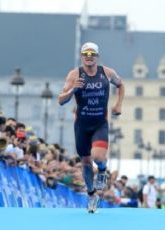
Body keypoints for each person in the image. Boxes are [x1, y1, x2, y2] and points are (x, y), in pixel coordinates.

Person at [58, 42, 125, 213]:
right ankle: (91, 194)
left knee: (98, 157)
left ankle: (102, 170)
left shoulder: (107, 73)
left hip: (99, 124)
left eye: (92, 54)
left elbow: (120, 85)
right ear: (82, 57)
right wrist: (73, 89)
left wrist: (118, 105)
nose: (89, 57)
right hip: (81, 125)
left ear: (97, 56)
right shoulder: (74, 75)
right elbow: (61, 100)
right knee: (86, 163)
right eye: (86, 54)